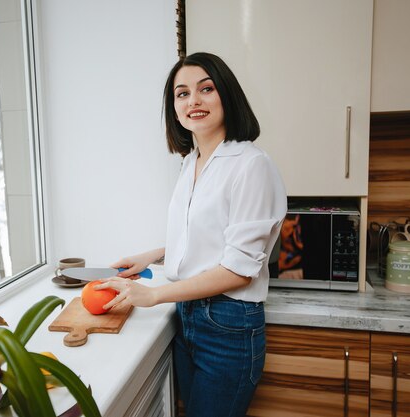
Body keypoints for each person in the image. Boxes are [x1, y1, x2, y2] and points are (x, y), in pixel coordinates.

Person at [95, 52, 287, 417]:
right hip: (189, 319)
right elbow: (209, 238)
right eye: (181, 94)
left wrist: (153, 296)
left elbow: (237, 269)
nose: (193, 101)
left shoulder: (251, 165)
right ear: (174, 108)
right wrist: (152, 255)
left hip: (228, 325)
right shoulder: (191, 162)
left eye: (206, 89)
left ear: (226, 96)